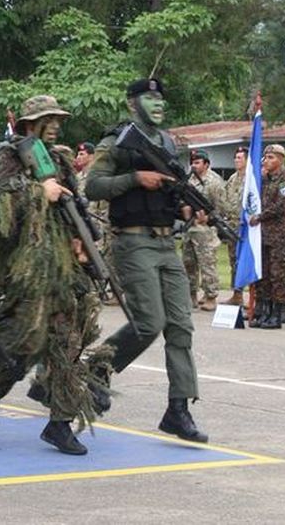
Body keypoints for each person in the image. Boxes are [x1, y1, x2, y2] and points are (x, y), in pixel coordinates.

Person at [0, 95, 110, 455]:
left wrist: (83, 241)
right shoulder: (7, 156)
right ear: (30, 123)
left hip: (63, 263)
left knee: (69, 341)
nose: (56, 125)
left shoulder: (60, 159)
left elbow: (73, 206)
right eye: (48, 119)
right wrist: (37, 192)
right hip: (24, 265)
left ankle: (60, 424)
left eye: (58, 119)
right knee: (23, 338)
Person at [86, 77, 207, 443]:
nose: (157, 104)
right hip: (133, 242)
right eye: (148, 97)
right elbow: (93, 187)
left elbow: (171, 194)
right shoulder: (115, 142)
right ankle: (95, 372)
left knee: (181, 327)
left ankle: (178, 408)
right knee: (148, 322)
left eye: (160, 98)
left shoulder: (168, 142)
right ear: (132, 104)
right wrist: (136, 177)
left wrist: (188, 206)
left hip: (166, 243)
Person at [251, 144, 285, 329]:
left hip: (279, 236)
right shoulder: (264, 179)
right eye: (265, 157)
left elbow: (281, 207)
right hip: (263, 234)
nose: (266, 161)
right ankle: (266, 310)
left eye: (271, 157)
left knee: (278, 275)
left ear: (281, 159)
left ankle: (279, 313)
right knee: (265, 274)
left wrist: (259, 217)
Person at [183, 150, 224, 312]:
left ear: (206, 164)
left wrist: (208, 218)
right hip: (190, 228)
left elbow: (221, 206)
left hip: (206, 230)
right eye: (192, 162)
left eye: (198, 162)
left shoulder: (214, 181)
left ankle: (211, 296)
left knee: (207, 264)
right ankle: (191, 295)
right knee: (188, 263)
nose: (194, 165)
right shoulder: (189, 180)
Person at [218, 147, 248, 306]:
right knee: (234, 260)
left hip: (247, 226)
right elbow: (225, 199)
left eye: (240, 158)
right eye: (235, 157)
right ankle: (237, 294)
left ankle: (256, 297)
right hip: (232, 225)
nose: (236, 160)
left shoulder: (252, 178)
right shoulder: (232, 178)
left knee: (248, 260)